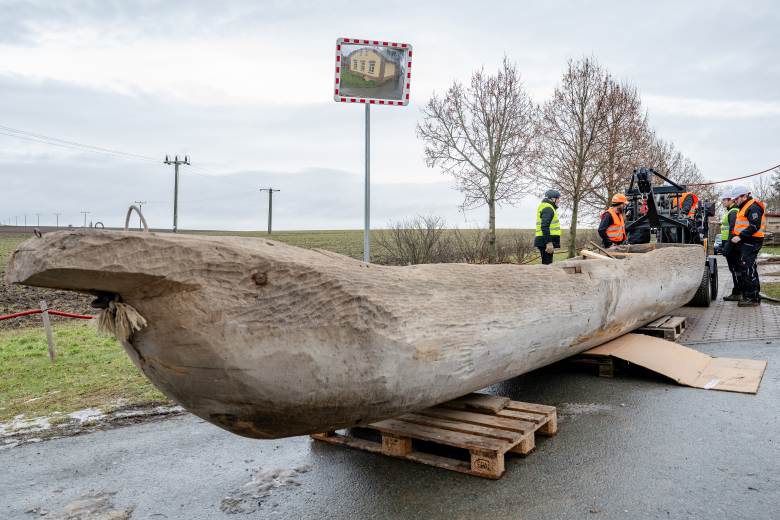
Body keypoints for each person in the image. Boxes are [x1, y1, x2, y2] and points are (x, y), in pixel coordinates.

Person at [729, 186, 766, 307]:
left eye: (736, 199)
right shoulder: (745, 207)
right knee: (748, 267)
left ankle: (752, 297)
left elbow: (754, 226)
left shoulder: (753, 207)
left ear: (744, 196)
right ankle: (752, 295)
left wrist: (740, 236)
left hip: (752, 240)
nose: (735, 201)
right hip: (747, 241)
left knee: (747, 267)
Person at [719, 189, 741, 301]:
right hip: (729, 243)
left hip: (732, 245)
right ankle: (738, 291)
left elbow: (733, 231)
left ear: (730, 200)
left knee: (735, 268)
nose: (722, 202)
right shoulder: (730, 211)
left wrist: (727, 246)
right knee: (734, 269)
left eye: (723, 199)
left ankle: (738, 292)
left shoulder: (733, 212)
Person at [534, 189, 561, 264]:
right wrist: (549, 243)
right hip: (545, 241)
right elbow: (544, 226)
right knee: (547, 266)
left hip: (544, 240)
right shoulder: (548, 208)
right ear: (552, 199)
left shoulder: (547, 207)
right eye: (557, 198)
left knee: (547, 264)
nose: (559, 200)